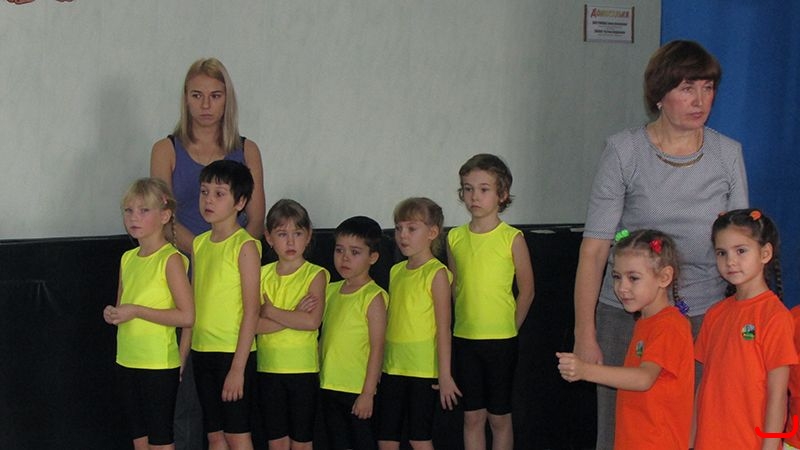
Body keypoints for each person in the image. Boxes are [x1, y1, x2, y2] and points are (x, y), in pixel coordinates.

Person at [571, 40, 749, 449]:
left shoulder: (728, 154)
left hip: (702, 314)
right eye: (687, 88)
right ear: (659, 93)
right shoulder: (624, 150)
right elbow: (595, 250)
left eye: (707, 88)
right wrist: (585, 332)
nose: (700, 100)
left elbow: (742, 249)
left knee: (692, 428)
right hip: (626, 313)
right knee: (620, 429)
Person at [557, 230, 693, 450]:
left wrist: (585, 370)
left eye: (633, 278)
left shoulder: (670, 325)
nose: (622, 288)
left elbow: (644, 378)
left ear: (664, 277)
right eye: (617, 276)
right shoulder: (645, 322)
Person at [446, 154, 535, 450]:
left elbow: (527, 290)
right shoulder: (455, 238)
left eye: (484, 189)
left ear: (502, 194)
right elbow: (456, 287)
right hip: (465, 338)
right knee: (472, 416)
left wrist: (511, 327)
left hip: (501, 341)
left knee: (499, 417)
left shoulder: (512, 238)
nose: (475, 196)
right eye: (468, 189)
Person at [103, 178, 194, 450]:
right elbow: (123, 306)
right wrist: (114, 313)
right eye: (129, 211)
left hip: (157, 364)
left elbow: (187, 316)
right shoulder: (127, 258)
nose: (134, 217)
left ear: (164, 216)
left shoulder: (170, 259)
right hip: (127, 359)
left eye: (144, 211)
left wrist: (137, 311)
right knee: (139, 438)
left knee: (160, 439)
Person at [694, 208, 796, 450]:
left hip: (750, 442)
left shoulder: (775, 316)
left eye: (740, 251)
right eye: (722, 253)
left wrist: (769, 446)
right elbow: (704, 387)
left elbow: (778, 396)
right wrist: (691, 441)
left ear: (765, 253)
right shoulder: (715, 314)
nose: (730, 261)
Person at [182, 160, 261, 450]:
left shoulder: (245, 246)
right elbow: (193, 306)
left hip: (232, 352)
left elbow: (252, 310)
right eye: (204, 192)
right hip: (202, 351)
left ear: (240, 202)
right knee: (215, 436)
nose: (209, 200)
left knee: (237, 435)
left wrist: (238, 368)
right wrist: (183, 355)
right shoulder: (200, 244)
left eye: (219, 194)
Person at [151, 57, 265, 256]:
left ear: (227, 99)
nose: (205, 105)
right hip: (182, 263)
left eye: (215, 96)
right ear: (186, 99)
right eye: (197, 95)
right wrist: (205, 254)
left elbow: (256, 221)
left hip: (234, 263)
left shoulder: (248, 150)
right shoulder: (165, 150)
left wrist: (232, 257)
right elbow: (164, 219)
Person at [378, 198, 460, 450]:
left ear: (432, 233)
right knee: (386, 437)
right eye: (398, 228)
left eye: (411, 228)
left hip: (422, 370)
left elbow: (444, 329)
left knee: (419, 437)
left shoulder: (437, 273)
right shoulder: (396, 271)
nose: (403, 235)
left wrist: (444, 375)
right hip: (393, 366)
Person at [255, 199, 329, 450]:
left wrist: (271, 312)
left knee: (301, 442)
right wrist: (293, 316)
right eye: (282, 234)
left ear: (308, 236)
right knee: (276, 442)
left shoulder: (315, 274)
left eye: (297, 234)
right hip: (268, 368)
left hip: (303, 369)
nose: (290, 242)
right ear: (268, 237)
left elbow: (311, 321)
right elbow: (253, 325)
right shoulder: (261, 274)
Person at [319, 216, 388, 450]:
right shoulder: (330, 290)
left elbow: (378, 347)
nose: (345, 257)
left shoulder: (373, 296)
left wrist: (368, 393)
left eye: (355, 252)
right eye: (339, 250)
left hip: (357, 388)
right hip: (328, 384)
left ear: (373, 257)